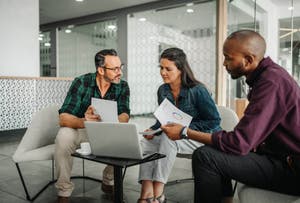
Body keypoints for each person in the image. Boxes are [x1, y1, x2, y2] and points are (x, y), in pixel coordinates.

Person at [161, 30, 300, 203]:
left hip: (292, 169)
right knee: (216, 151)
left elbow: (239, 143)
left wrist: (184, 132)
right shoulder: (267, 77)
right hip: (279, 158)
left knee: (205, 157)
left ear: (248, 60)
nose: (224, 63)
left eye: (228, 58)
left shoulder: (271, 82)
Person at [138, 48, 221, 203]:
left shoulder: (198, 90)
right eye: (161, 68)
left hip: (201, 137)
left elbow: (214, 121)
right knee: (147, 140)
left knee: (169, 139)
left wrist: (183, 129)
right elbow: (163, 118)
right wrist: (154, 129)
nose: (163, 72)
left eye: (168, 69)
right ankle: (146, 191)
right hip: (178, 135)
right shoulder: (162, 90)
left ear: (181, 69)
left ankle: (158, 192)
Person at [54, 49, 130, 203]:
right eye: (115, 69)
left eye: (121, 67)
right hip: (83, 130)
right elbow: (64, 118)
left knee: (125, 137)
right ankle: (64, 191)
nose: (120, 72)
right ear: (101, 70)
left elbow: (125, 114)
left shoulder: (122, 86)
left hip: (107, 130)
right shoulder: (82, 82)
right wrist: (84, 121)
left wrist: (113, 122)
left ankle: (109, 180)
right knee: (64, 136)